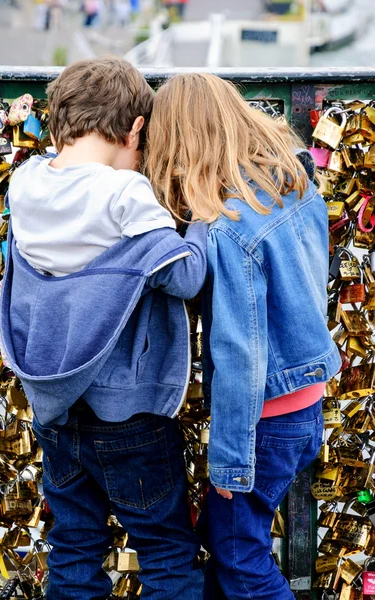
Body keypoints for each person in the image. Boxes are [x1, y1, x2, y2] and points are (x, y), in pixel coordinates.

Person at [0, 58, 206, 600]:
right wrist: (204, 213)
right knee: (165, 552)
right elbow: (184, 276)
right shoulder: (124, 195)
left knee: (74, 546)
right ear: (136, 129)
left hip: (55, 412)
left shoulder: (25, 184)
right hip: (128, 411)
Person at [145, 73, 341, 600]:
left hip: (264, 418)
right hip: (305, 405)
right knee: (229, 539)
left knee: (240, 559)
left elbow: (240, 355)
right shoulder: (291, 182)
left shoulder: (228, 230)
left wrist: (231, 462)